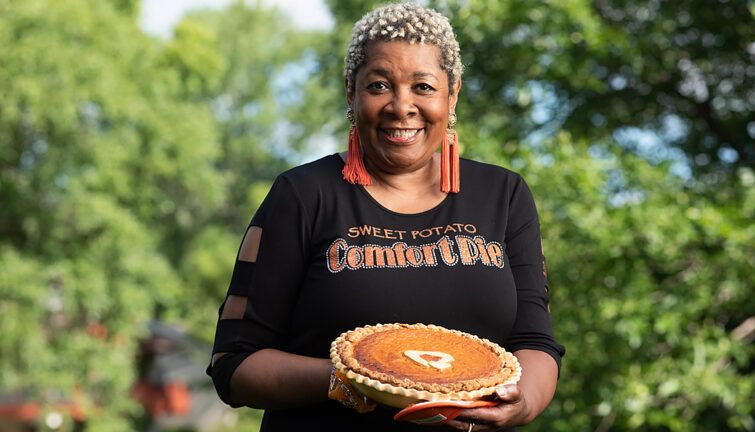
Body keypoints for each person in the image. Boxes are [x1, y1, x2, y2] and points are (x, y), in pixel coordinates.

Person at [207, 3, 564, 431]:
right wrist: (351, 379)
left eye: (423, 87)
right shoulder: (303, 195)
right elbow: (235, 364)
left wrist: (519, 404)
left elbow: (534, 343)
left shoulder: (503, 195)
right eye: (379, 85)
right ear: (350, 93)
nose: (402, 106)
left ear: (452, 94)